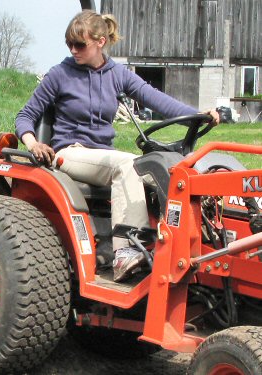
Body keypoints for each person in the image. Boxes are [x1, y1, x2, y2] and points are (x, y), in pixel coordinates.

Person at [15, 10, 220, 282]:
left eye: (80, 44)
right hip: (69, 153)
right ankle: (124, 253)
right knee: (127, 164)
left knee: (168, 169)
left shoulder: (117, 74)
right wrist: (33, 143)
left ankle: (176, 247)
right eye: (70, 44)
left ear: (100, 42)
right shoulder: (60, 74)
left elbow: (157, 100)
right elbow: (25, 115)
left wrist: (198, 114)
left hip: (103, 155)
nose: (73, 50)